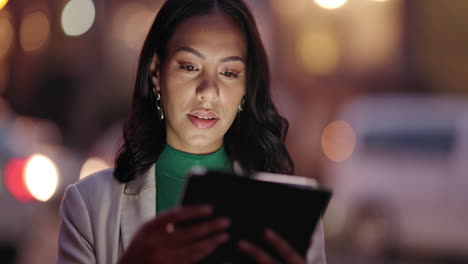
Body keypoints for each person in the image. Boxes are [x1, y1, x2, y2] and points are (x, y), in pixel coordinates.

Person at [57, 0, 327, 263]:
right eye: (189, 67)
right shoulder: (89, 204)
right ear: (155, 74)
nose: (208, 91)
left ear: (246, 88)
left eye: (230, 72)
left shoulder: (289, 213)